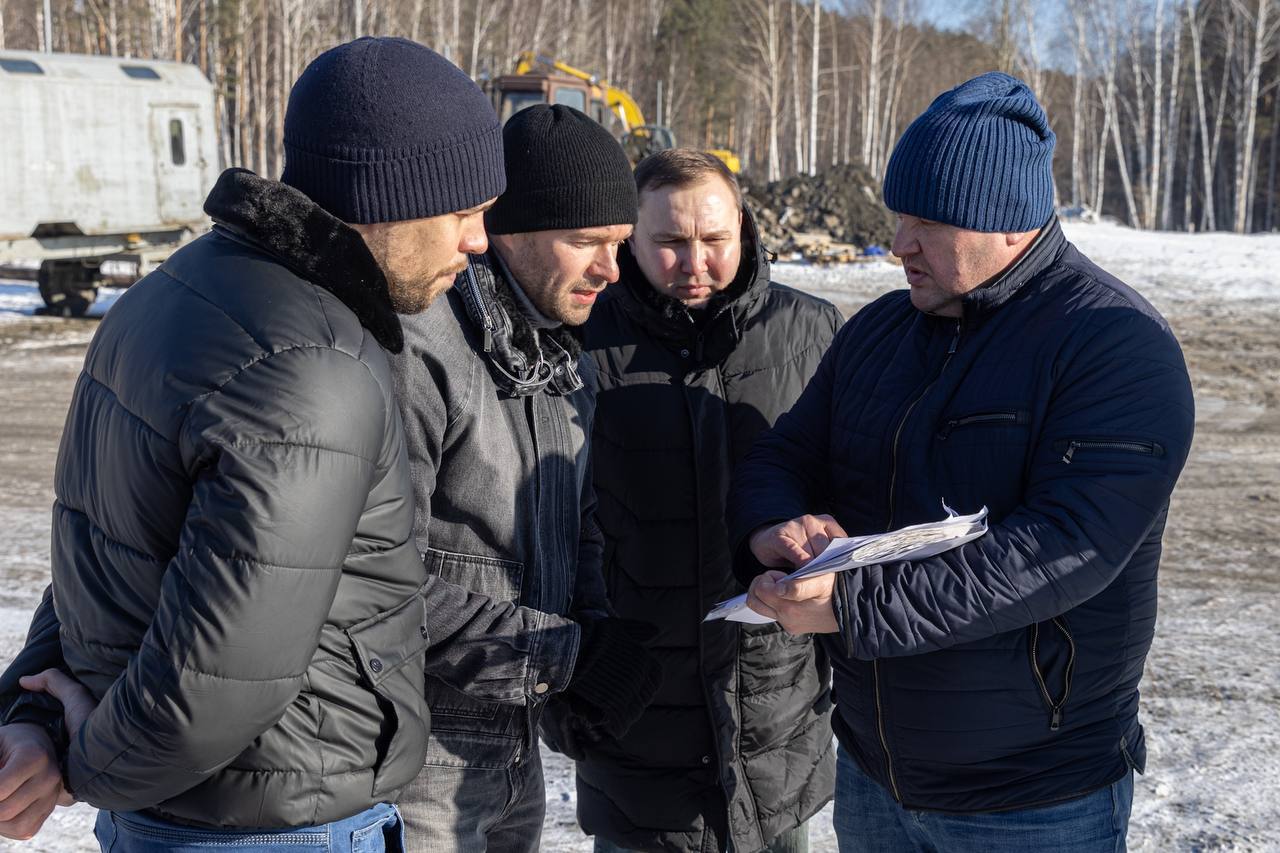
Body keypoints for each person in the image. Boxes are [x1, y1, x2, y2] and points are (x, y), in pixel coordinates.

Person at [0, 37, 507, 850]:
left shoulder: (170, 292)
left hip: (174, 813)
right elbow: (217, 685)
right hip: (273, 825)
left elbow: (103, 553)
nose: (478, 242)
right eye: (464, 213)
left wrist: (37, 714)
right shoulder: (312, 367)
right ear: (388, 196)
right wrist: (82, 761)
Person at [730, 72, 1195, 852]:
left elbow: (1063, 546)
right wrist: (777, 525)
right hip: (877, 776)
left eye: (928, 222)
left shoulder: (1115, 346)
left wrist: (855, 606)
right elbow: (786, 451)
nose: (899, 242)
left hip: (1036, 798)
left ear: (1009, 223)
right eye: (899, 215)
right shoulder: (879, 331)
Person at [388, 103, 663, 852]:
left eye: (619, 243)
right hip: (418, 761)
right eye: (587, 242)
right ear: (509, 227)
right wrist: (560, 655)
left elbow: (580, 526)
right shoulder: (421, 347)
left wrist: (592, 639)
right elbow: (374, 579)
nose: (612, 269)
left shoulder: (557, 355)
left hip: (513, 745)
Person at [555, 149, 841, 853]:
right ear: (631, 239)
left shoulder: (814, 332)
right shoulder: (579, 343)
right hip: (637, 719)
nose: (695, 263)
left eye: (714, 240)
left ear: (741, 225)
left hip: (776, 713)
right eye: (670, 244)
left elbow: (849, 496)